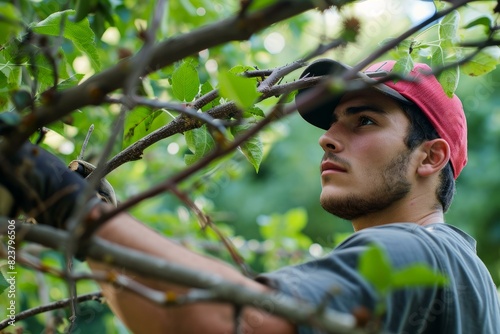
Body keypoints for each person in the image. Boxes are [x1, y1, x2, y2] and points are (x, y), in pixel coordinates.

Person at [1, 59, 499, 334]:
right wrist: (103, 237)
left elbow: (234, 322)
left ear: (430, 158)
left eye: (364, 120)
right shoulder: (466, 277)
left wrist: (67, 203)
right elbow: (175, 324)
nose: (327, 137)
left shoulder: (411, 252)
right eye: (332, 122)